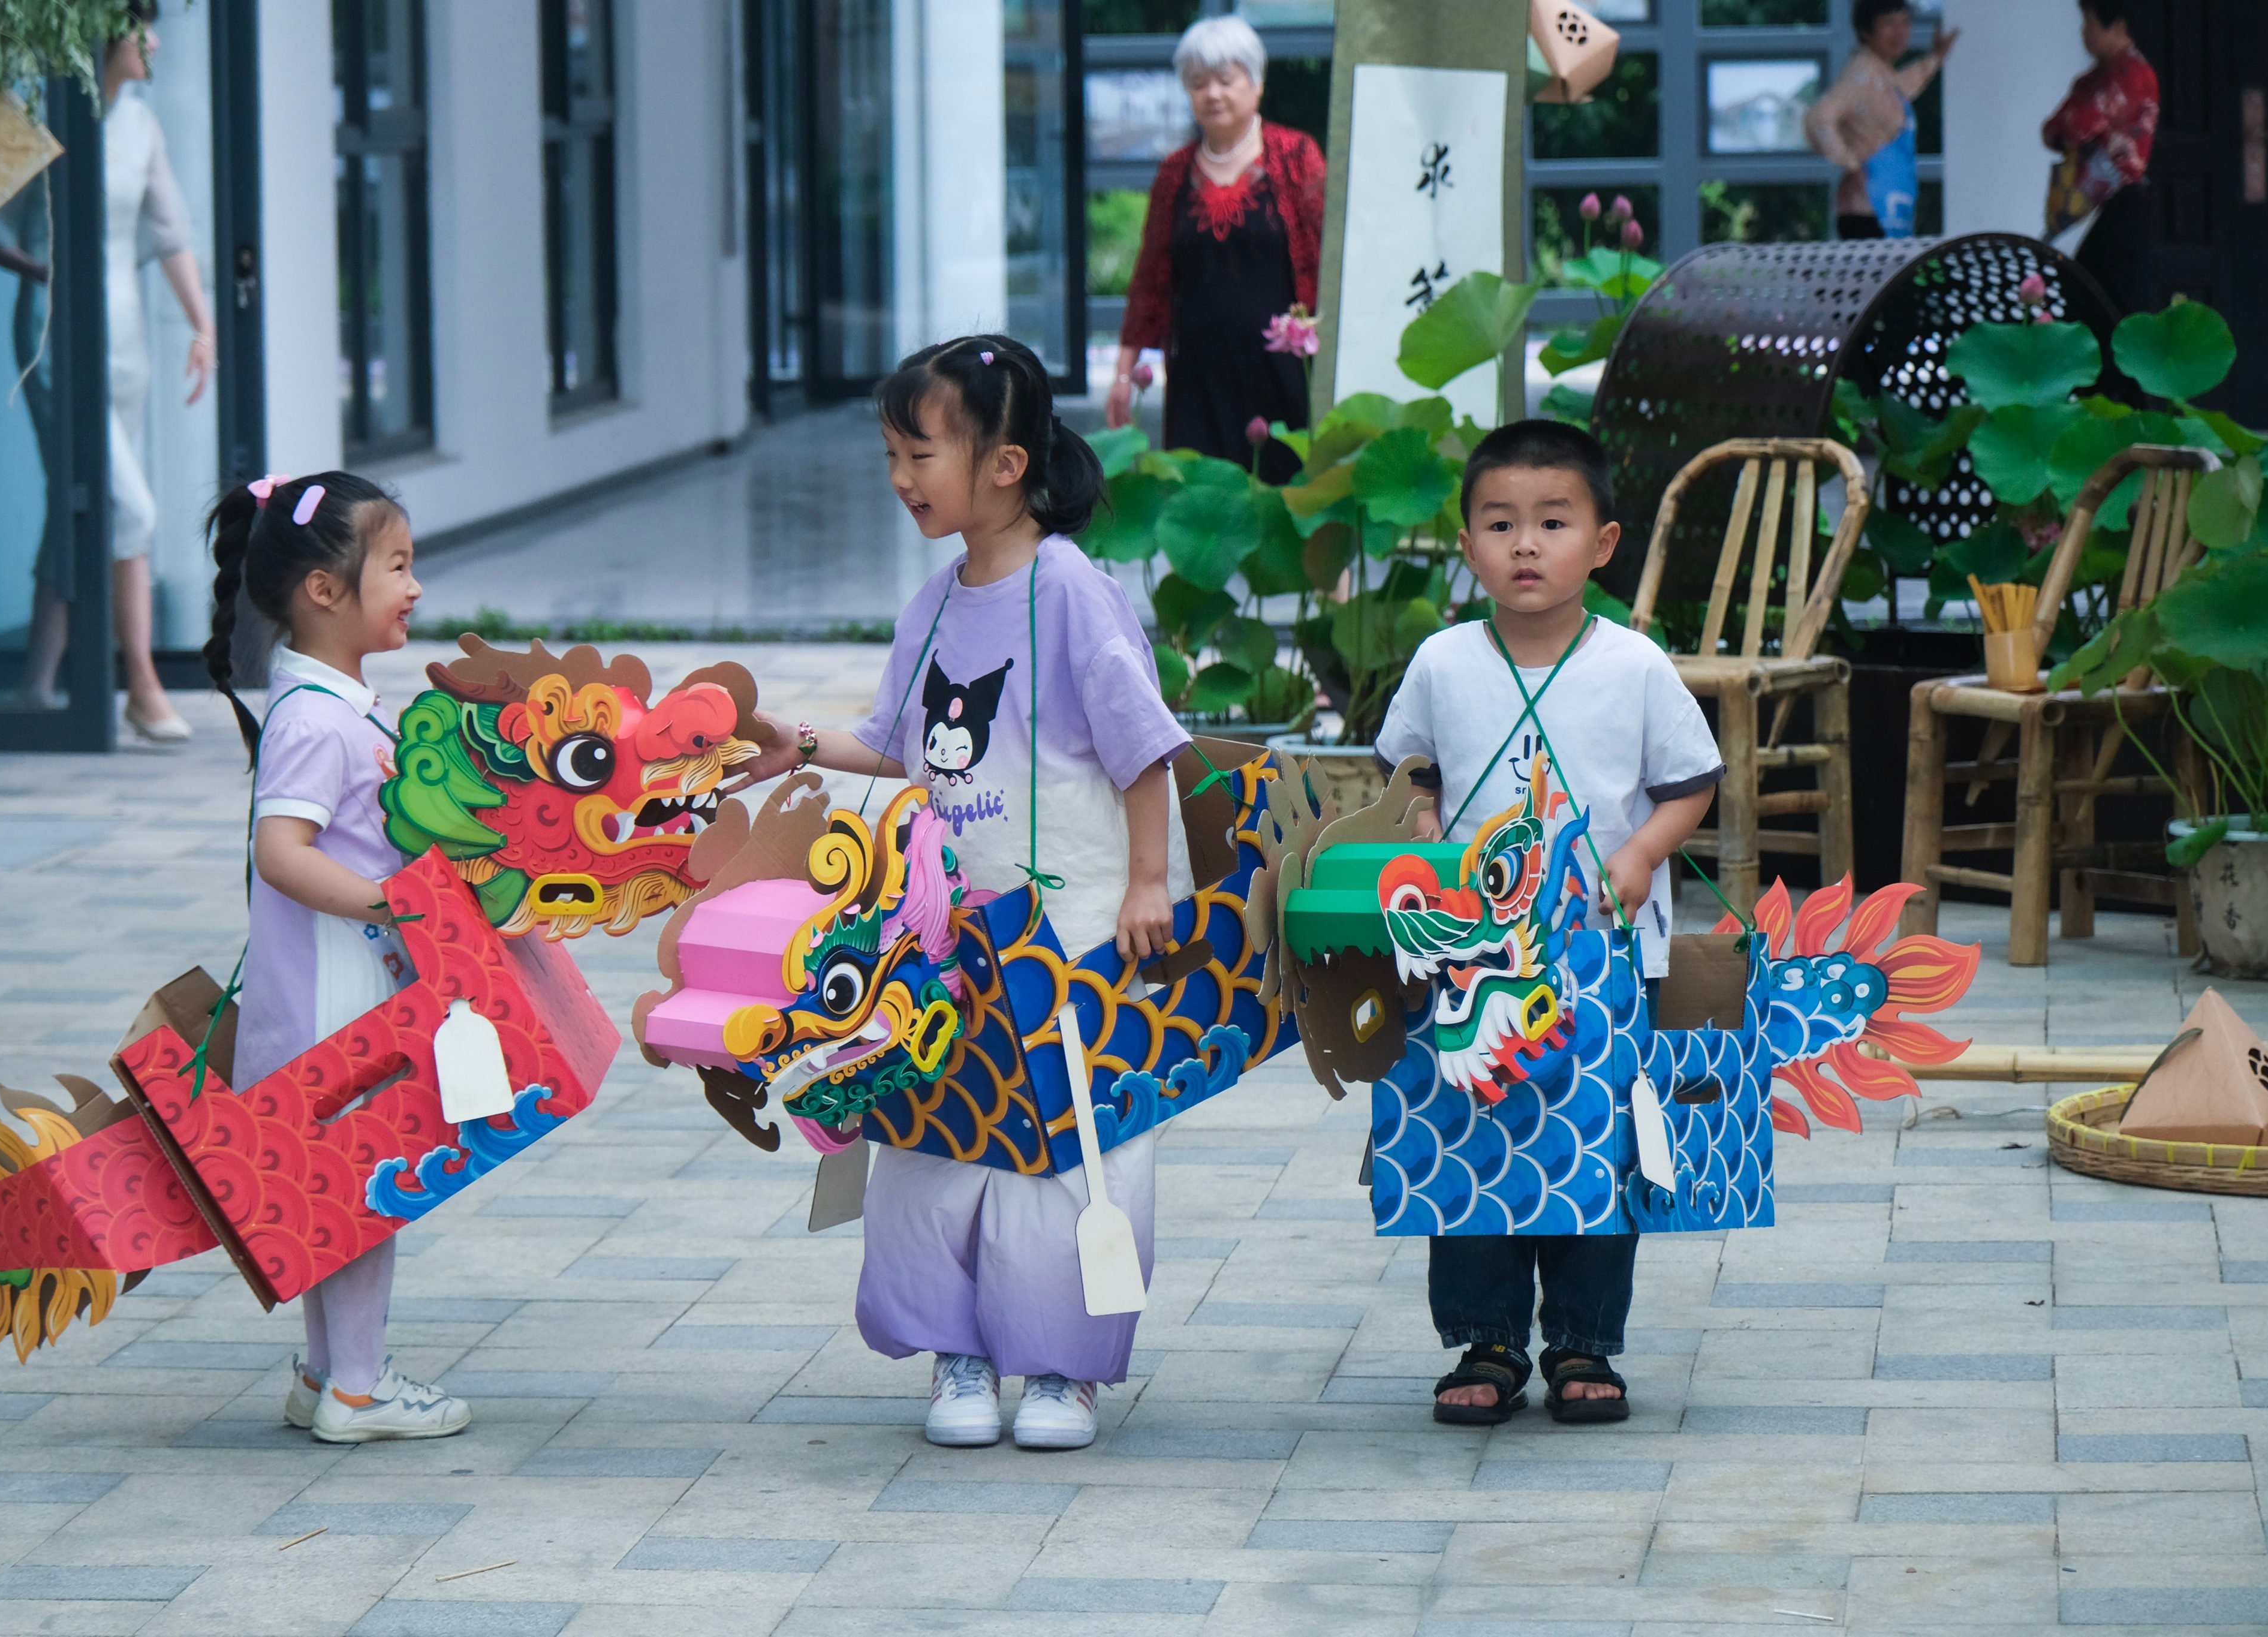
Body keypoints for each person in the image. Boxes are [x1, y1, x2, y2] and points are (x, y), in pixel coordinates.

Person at [732, 336, 1192, 1451]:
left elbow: (1143, 748)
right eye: (892, 451)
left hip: (1074, 925)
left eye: (918, 451)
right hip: (943, 930)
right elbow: (904, 748)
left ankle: (1061, 1370)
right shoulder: (934, 603)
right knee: (934, 1134)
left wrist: (1145, 884)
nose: (900, 476)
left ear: (1004, 463)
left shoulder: (1073, 590)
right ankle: (961, 1351)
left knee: (1066, 1137)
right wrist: (798, 744)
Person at [1374, 421, 1722, 1425]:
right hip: (1475, 958)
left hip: (1610, 948)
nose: (1526, 545)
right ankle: (1484, 1338)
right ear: (1469, 543)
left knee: (1598, 1144)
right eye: (1500, 524)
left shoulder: (1637, 665)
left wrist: (1645, 853)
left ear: (1603, 543)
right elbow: (1411, 769)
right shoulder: (1443, 662)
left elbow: (1689, 783)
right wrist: (1427, 823)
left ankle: (1581, 1340)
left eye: (1553, 522)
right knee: (1475, 1136)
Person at [201, 470, 470, 1445]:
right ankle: (358, 1388)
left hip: (326, 998)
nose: (416, 586)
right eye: (398, 566)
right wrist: (399, 901)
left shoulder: (328, 706)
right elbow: (283, 854)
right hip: (339, 1008)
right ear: (326, 591)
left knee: (331, 1195)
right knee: (365, 1195)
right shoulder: (318, 721)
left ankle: (326, 1372)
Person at [22, 0, 216, 739]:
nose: (155, 39)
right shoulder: (47, 116)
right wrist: (48, 270)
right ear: (108, 35)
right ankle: (140, 681)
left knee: (75, 510)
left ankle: (36, 687)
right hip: (53, 334)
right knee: (126, 509)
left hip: (125, 336)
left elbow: (170, 232)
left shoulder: (139, 120)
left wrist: (203, 326)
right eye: (142, 24)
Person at [1108, 16, 1324, 484]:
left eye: (1226, 80)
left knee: (1290, 508)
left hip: (1285, 371)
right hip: (1199, 377)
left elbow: (1329, 260)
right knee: (1202, 502)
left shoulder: (1295, 156)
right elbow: (1150, 280)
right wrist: (1124, 373)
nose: (1213, 94)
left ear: (1257, 84)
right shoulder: (1174, 172)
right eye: (1198, 83)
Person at [2043, 0, 2160, 316]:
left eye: (2090, 22)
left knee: (2111, 295)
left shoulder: (2133, 76)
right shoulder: (2097, 78)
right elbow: (2053, 130)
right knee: (2086, 286)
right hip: (2088, 202)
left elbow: (2078, 125)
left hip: (2121, 201)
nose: (2084, 31)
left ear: (2119, 26)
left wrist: (2069, 125)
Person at [1805, 0, 1957, 240]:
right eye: (1889, 23)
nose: (1900, 32)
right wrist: (1850, 162)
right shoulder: (1862, 72)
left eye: (1905, 22)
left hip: (1888, 207)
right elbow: (1819, 118)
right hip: (1869, 211)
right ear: (1865, 30)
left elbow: (1903, 87)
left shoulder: (1880, 73)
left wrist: (1936, 58)